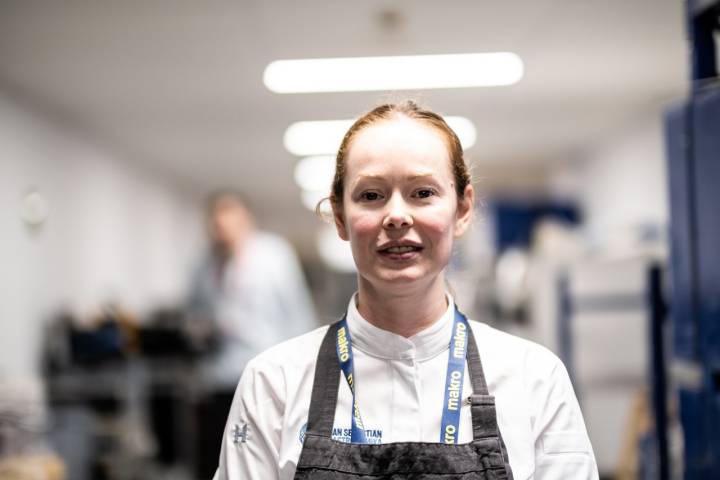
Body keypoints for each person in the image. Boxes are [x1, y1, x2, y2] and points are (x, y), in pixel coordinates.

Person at [213, 102, 598, 479]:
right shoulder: (273, 383)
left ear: (462, 210)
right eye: (371, 195)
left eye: (423, 192)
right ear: (341, 217)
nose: (397, 215)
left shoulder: (534, 378)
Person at [187, 190, 316, 388]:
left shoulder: (273, 254)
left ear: (247, 220)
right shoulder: (203, 264)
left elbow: (297, 311)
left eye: (231, 223)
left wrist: (305, 366)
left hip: (269, 371)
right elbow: (194, 313)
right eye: (217, 226)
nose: (223, 232)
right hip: (220, 375)